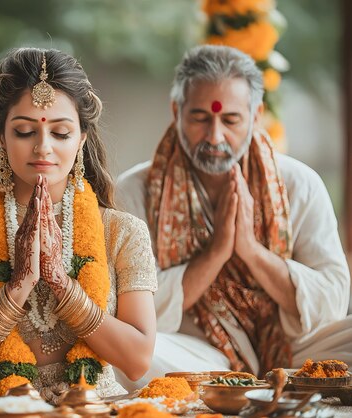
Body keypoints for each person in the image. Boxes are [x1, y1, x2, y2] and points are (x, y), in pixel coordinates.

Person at [116, 45, 352, 387]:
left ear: (256, 116)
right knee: (126, 356)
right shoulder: (136, 190)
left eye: (230, 120)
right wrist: (216, 253)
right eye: (200, 117)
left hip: (295, 349)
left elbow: (333, 299)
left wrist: (252, 251)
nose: (215, 136)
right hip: (197, 352)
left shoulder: (299, 184)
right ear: (176, 111)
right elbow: (135, 309)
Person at [0, 48, 157, 400]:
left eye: (61, 133)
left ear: (81, 138)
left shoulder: (122, 232)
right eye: (24, 131)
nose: (43, 147)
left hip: (94, 407)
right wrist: (18, 286)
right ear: (0, 138)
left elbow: (138, 360)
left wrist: (63, 286)